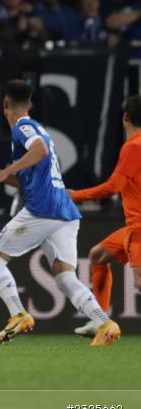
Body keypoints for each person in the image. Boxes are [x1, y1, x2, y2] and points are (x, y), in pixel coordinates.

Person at [0, 80, 120, 347]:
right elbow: (28, 179)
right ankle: (104, 322)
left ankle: (18, 314)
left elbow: (40, 150)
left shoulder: (23, 127)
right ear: (30, 102)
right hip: (65, 213)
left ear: (4, 104)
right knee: (64, 276)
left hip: (42, 210)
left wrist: (3, 173)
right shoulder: (36, 131)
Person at [69, 96, 141, 337]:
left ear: (125, 119)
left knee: (140, 282)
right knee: (97, 255)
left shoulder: (133, 147)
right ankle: (99, 320)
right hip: (132, 226)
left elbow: (113, 186)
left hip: (139, 227)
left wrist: (75, 195)